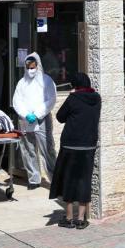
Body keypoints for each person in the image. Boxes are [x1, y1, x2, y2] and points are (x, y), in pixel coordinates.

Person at [49, 73, 100, 230]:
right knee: (84, 180)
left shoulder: (73, 98)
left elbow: (60, 117)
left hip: (70, 145)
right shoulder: (97, 99)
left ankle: (69, 218)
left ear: (75, 85)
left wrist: (72, 96)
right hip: (89, 145)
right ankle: (81, 219)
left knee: (69, 180)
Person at [13, 53, 58, 190]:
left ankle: (56, 179)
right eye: (28, 67)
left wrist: (38, 114)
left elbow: (51, 99)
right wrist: (26, 114)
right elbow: (17, 101)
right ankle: (34, 178)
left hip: (42, 120)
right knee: (28, 149)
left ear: (37, 65)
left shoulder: (47, 81)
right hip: (26, 121)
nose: (30, 69)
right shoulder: (21, 83)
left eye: (33, 66)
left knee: (47, 149)